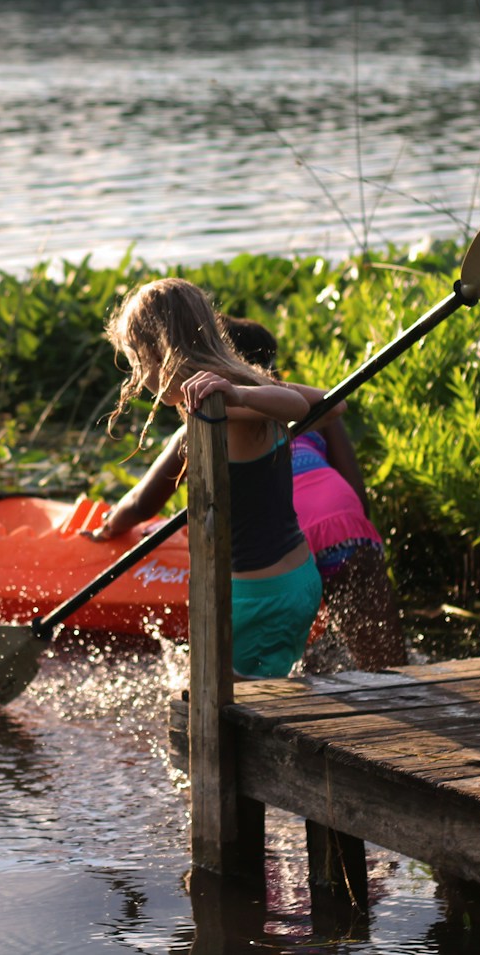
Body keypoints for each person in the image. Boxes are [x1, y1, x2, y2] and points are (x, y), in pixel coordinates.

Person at [89, 312, 407, 671]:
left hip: (280, 548)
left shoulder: (206, 420)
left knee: (267, 663)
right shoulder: (299, 408)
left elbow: (140, 504)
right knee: (383, 662)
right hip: (345, 527)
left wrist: (108, 527)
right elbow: (356, 490)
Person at [85, 277, 322, 679]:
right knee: (258, 694)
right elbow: (329, 404)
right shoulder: (241, 394)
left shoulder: (224, 407)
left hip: (254, 598)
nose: (140, 380)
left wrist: (240, 394)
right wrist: (248, 386)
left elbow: (298, 404)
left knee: (224, 714)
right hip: (296, 580)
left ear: (157, 353)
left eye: (138, 363)